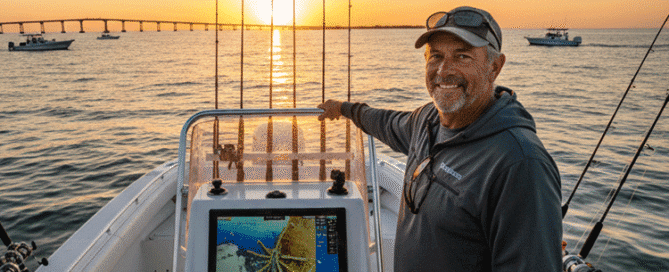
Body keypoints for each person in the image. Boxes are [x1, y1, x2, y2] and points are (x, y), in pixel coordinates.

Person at [317, 6, 562, 272]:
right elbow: (385, 122)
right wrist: (344, 109)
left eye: (462, 56)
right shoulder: (427, 120)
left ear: (495, 67)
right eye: (436, 56)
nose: (444, 71)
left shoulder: (521, 164)